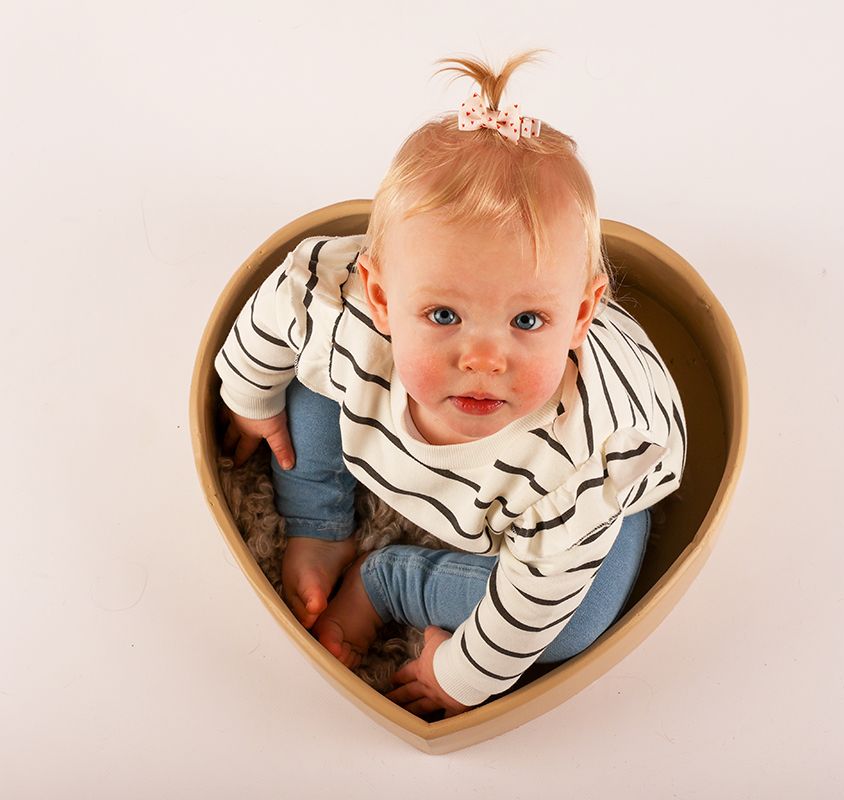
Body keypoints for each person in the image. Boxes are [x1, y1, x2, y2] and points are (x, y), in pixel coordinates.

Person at [214, 49, 687, 718]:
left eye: (528, 319)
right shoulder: (349, 315)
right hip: (385, 372)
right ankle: (316, 523)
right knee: (305, 378)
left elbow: (534, 603)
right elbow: (279, 308)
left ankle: (389, 583)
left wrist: (464, 676)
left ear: (581, 314)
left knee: (576, 617)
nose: (485, 359)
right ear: (379, 295)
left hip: (597, 489)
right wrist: (247, 397)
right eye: (443, 315)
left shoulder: (581, 465)